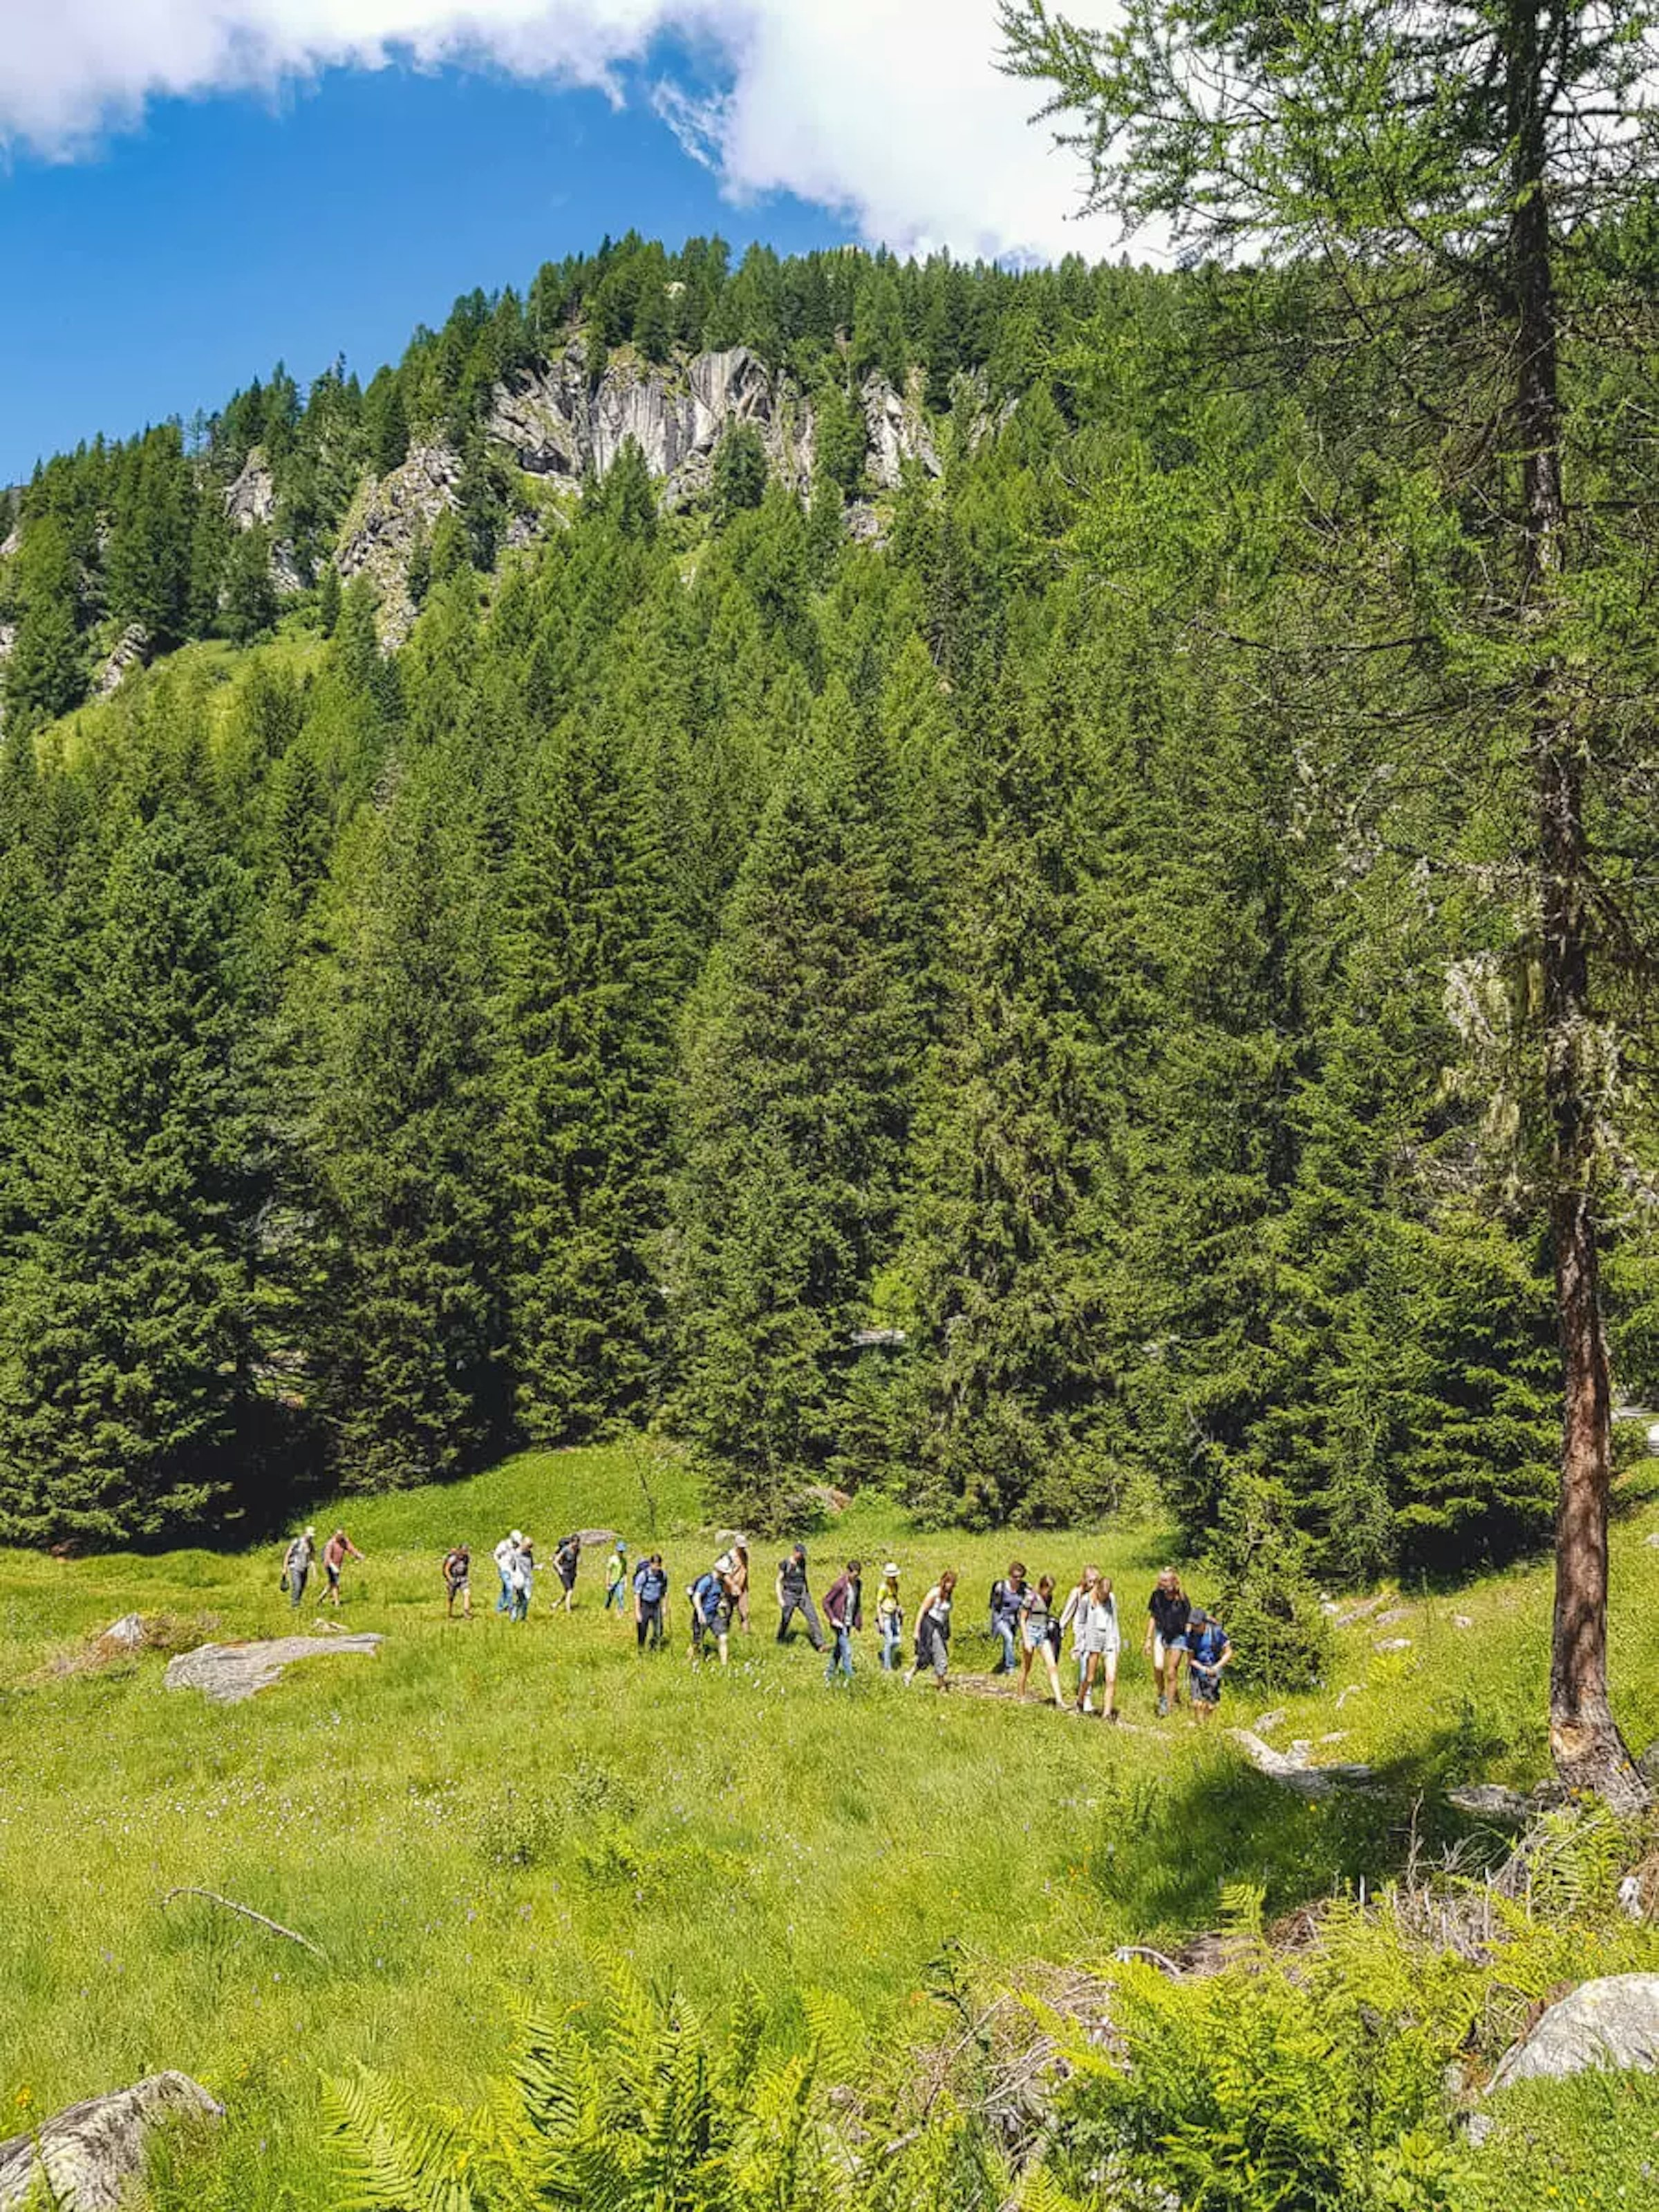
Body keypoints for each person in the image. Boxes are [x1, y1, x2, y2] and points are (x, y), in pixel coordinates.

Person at [1145, 1568, 1193, 1716]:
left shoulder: (1183, 1598)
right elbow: (1153, 1616)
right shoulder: (1156, 1596)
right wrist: (1148, 1639)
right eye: (1162, 1581)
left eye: (1167, 1581)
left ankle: (1168, 1708)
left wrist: (1191, 1645)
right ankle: (1162, 1695)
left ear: (1174, 1581)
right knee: (1158, 1667)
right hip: (1162, 1633)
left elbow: (1189, 1622)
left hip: (1179, 1636)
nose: (1165, 1584)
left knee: (1171, 1671)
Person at [1017, 1575, 1067, 1708]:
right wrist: (1026, 1639)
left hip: (1043, 1633)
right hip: (1031, 1632)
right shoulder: (1031, 1598)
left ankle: (1059, 1700)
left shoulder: (1049, 1598)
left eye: (1051, 1590)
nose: (1049, 1593)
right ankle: (1021, 1695)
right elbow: (1022, 1619)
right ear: (1042, 1587)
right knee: (1026, 1667)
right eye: (1048, 1590)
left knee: (1052, 1666)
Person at [904, 1570, 957, 1689]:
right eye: (949, 1583)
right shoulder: (935, 1593)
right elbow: (922, 1611)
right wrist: (916, 1631)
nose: (950, 1586)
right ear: (944, 1581)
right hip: (929, 1626)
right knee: (941, 1654)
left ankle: (909, 1674)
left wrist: (947, 1629)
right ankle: (942, 1684)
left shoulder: (949, 1596)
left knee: (927, 1656)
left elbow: (946, 1615)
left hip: (940, 1626)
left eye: (953, 1584)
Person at [776, 1544, 825, 1651]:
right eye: (800, 1554)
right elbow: (778, 1581)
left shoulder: (803, 1562)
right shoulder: (785, 1564)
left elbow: (804, 1578)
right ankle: (780, 1639)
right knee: (786, 1619)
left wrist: (807, 1593)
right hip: (789, 1595)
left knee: (813, 1618)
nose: (802, 1556)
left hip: (803, 1595)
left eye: (803, 1554)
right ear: (794, 1551)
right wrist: (780, 1598)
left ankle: (820, 1644)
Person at [1186, 1607, 1232, 1721]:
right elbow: (1191, 1659)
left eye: (1197, 1625)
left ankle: (1208, 1725)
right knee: (1197, 1703)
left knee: (1211, 1705)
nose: (1195, 1628)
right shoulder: (1191, 1636)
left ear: (1204, 1623)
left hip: (1214, 1671)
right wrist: (1203, 1669)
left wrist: (1216, 1667)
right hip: (1197, 1672)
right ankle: (1199, 1725)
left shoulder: (1216, 1632)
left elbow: (1229, 1652)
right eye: (1193, 1625)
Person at [822, 1559, 863, 1685]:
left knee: (839, 1649)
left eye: (858, 1575)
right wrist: (833, 1619)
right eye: (854, 1575)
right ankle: (851, 1679)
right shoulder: (839, 1585)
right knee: (847, 1650)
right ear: (848, 1572)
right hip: (839, 1622)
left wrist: (858, 1620)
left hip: (849, 1622)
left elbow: (857, 1602)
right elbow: (826, 1601)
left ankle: (829, 1673)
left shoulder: (859, 1584)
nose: (855, 1578)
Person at [988, 1561, 1029, 1675]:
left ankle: (1004, 1664)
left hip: (1013, 1619)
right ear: (1010, 1575)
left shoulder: (1024, 1588)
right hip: (1000, 1618)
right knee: (1009, 1638)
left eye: (1020, 1577)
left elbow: (1032, 1599)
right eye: (1015, 1577)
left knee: (1008, 1642)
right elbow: (993, 1605)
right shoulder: (1001, 1586)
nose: (1018, 1579)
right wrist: (994, 1623)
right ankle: (1010, 1667)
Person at [688, 1566, 731, 1665]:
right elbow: (696, 1597)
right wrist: (700, 1613)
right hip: (702, 1614)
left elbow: (718, 1596)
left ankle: (724, 1665)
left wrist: (721, 1604)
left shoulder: (721, 1582)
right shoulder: (707, 1581)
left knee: (723, 1638)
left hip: (714, 1614)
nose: (725, 1575)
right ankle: (688, 1661)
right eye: (724, 1573)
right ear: (719, 1571)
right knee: (697, 1642)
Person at [321, 1527, 364, 1608]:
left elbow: (351, 1548)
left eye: (342, 1535)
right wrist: (333, 1567)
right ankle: (337, 1604)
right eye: (339, 1535)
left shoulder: (344, 1541)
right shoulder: (330, 1543)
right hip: (330, 1566)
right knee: (335, 1583)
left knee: (331, 1583)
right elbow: (327, 1557)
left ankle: (321, 1598)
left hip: (338, 1566)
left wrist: (358, 1555)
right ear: (335, 1535)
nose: (340, 1537)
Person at [634, 1552, 668, 1650]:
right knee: (642, 1629)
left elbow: (664, 1592)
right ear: (651, 1564)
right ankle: (641, 1649)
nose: (657, 1568)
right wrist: (637, 1612)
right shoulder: (643, 1575)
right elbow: (637, 1594)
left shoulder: (663, 1575)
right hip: (645, 1605)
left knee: (659, 1629)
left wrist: (665, 1607)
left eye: (659, 1566)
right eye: (655, 1565)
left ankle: (652, 1647)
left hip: (656, 1605)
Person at [715, 1541, 751, 1631]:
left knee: (744, 1613)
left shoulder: (745, 1555)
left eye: (744, 1547)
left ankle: (746, 1637)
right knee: (727, 1614)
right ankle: (724, 1634)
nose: (743, 1549)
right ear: (736, 1545)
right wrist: (733, 1586)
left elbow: (744, 1570)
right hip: (728, 1590)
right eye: (741, 1547)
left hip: (742, 1589)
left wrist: (745, 1586)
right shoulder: (728, 1557)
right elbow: (723, 1574)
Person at [875, 1564, 904, 1671]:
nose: (893, 1579)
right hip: (885, 1616)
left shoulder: (896, 1585)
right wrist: (881, 1620)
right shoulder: (883, 1588)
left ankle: (884, 1654)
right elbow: (878, 1604)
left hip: (894, 1615)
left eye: (895, 1577)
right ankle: (887, 1667)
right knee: (889, 1640)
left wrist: (899, 1607)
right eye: (891, 1577)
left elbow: (896, 1598)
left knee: (897, 1640)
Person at [282, 1526, 315, 1611]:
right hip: (294, 1567)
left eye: (312, 1536)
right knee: (297, 1585)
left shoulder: (311, 1545)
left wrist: (314, 1571)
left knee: (302, 1587)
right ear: (305, 1533)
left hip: (304, 1567)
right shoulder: (296, 1542)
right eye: (310, 1535)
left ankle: (298, 1602)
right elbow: (288, 1554)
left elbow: (312, 1558)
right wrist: (285, 1568)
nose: (311, 1537)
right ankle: (295, 1605)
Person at [494, 1531, 522, 1615]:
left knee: (506, 1589)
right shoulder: (504, 1545)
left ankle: (499, 1607)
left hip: (512, 1570)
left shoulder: (517, 1546)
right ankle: (510, 1607)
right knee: (510, 1587)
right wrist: (500, 1564)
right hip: (504, 1570)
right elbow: (496, 1555)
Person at [509, 1537, 534, 1624]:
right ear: (523, 1544)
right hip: (519, 1580)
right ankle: (515, 1615)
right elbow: (511, 1566)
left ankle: (522, 1617)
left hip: (528, 1579)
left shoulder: (529, 1554)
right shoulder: (516, 1553)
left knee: (527, 1598)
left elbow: (531, 1565)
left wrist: (537, 1567)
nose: (529, 1549)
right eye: (528, 1546)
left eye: (530, 1547)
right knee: (523, 1598)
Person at [553, 1533, 581, 1612]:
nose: (576, 1545)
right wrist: (560, 1569)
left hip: (572, 1573)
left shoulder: (578, 1550)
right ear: (572, 1542)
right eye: (575, 1543)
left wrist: (576, 1569)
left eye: (578, 1543)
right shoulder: (566, 1549)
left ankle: (556, 1604)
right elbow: (555, 1561)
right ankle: (568, 1611)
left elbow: (576, 1560)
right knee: (570, 1591)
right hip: (564, 1572)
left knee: (567, 1592)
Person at [442, 1544, 471, 1620]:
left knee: (467, 1593)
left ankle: (466, 1612)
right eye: (464, 1551)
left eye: (467, 1551)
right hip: (453, 1578)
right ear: (460, 1550)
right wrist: (450, 1579)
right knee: (451, 1598)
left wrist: (466, 1578)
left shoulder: (466, 1558)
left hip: (463, 1579)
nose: (466, 1552)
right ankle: (449, 1614)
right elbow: (446, 1569)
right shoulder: (453, 1558)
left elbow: (466, 1568)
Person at [603, 1539, 629, 1611]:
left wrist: (626, 1582)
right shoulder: (612, 1559)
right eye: (620, 1551)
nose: (621, 1553)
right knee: (610, 1597)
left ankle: (621, 1610)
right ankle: (606, 1608)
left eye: (622, 1551)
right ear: (617, 1550)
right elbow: (608, 1571)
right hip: (612, 1581)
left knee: (620, 1596)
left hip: (620, 1581)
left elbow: (625, 1572)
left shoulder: (624, 1560)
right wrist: (607, 1584)